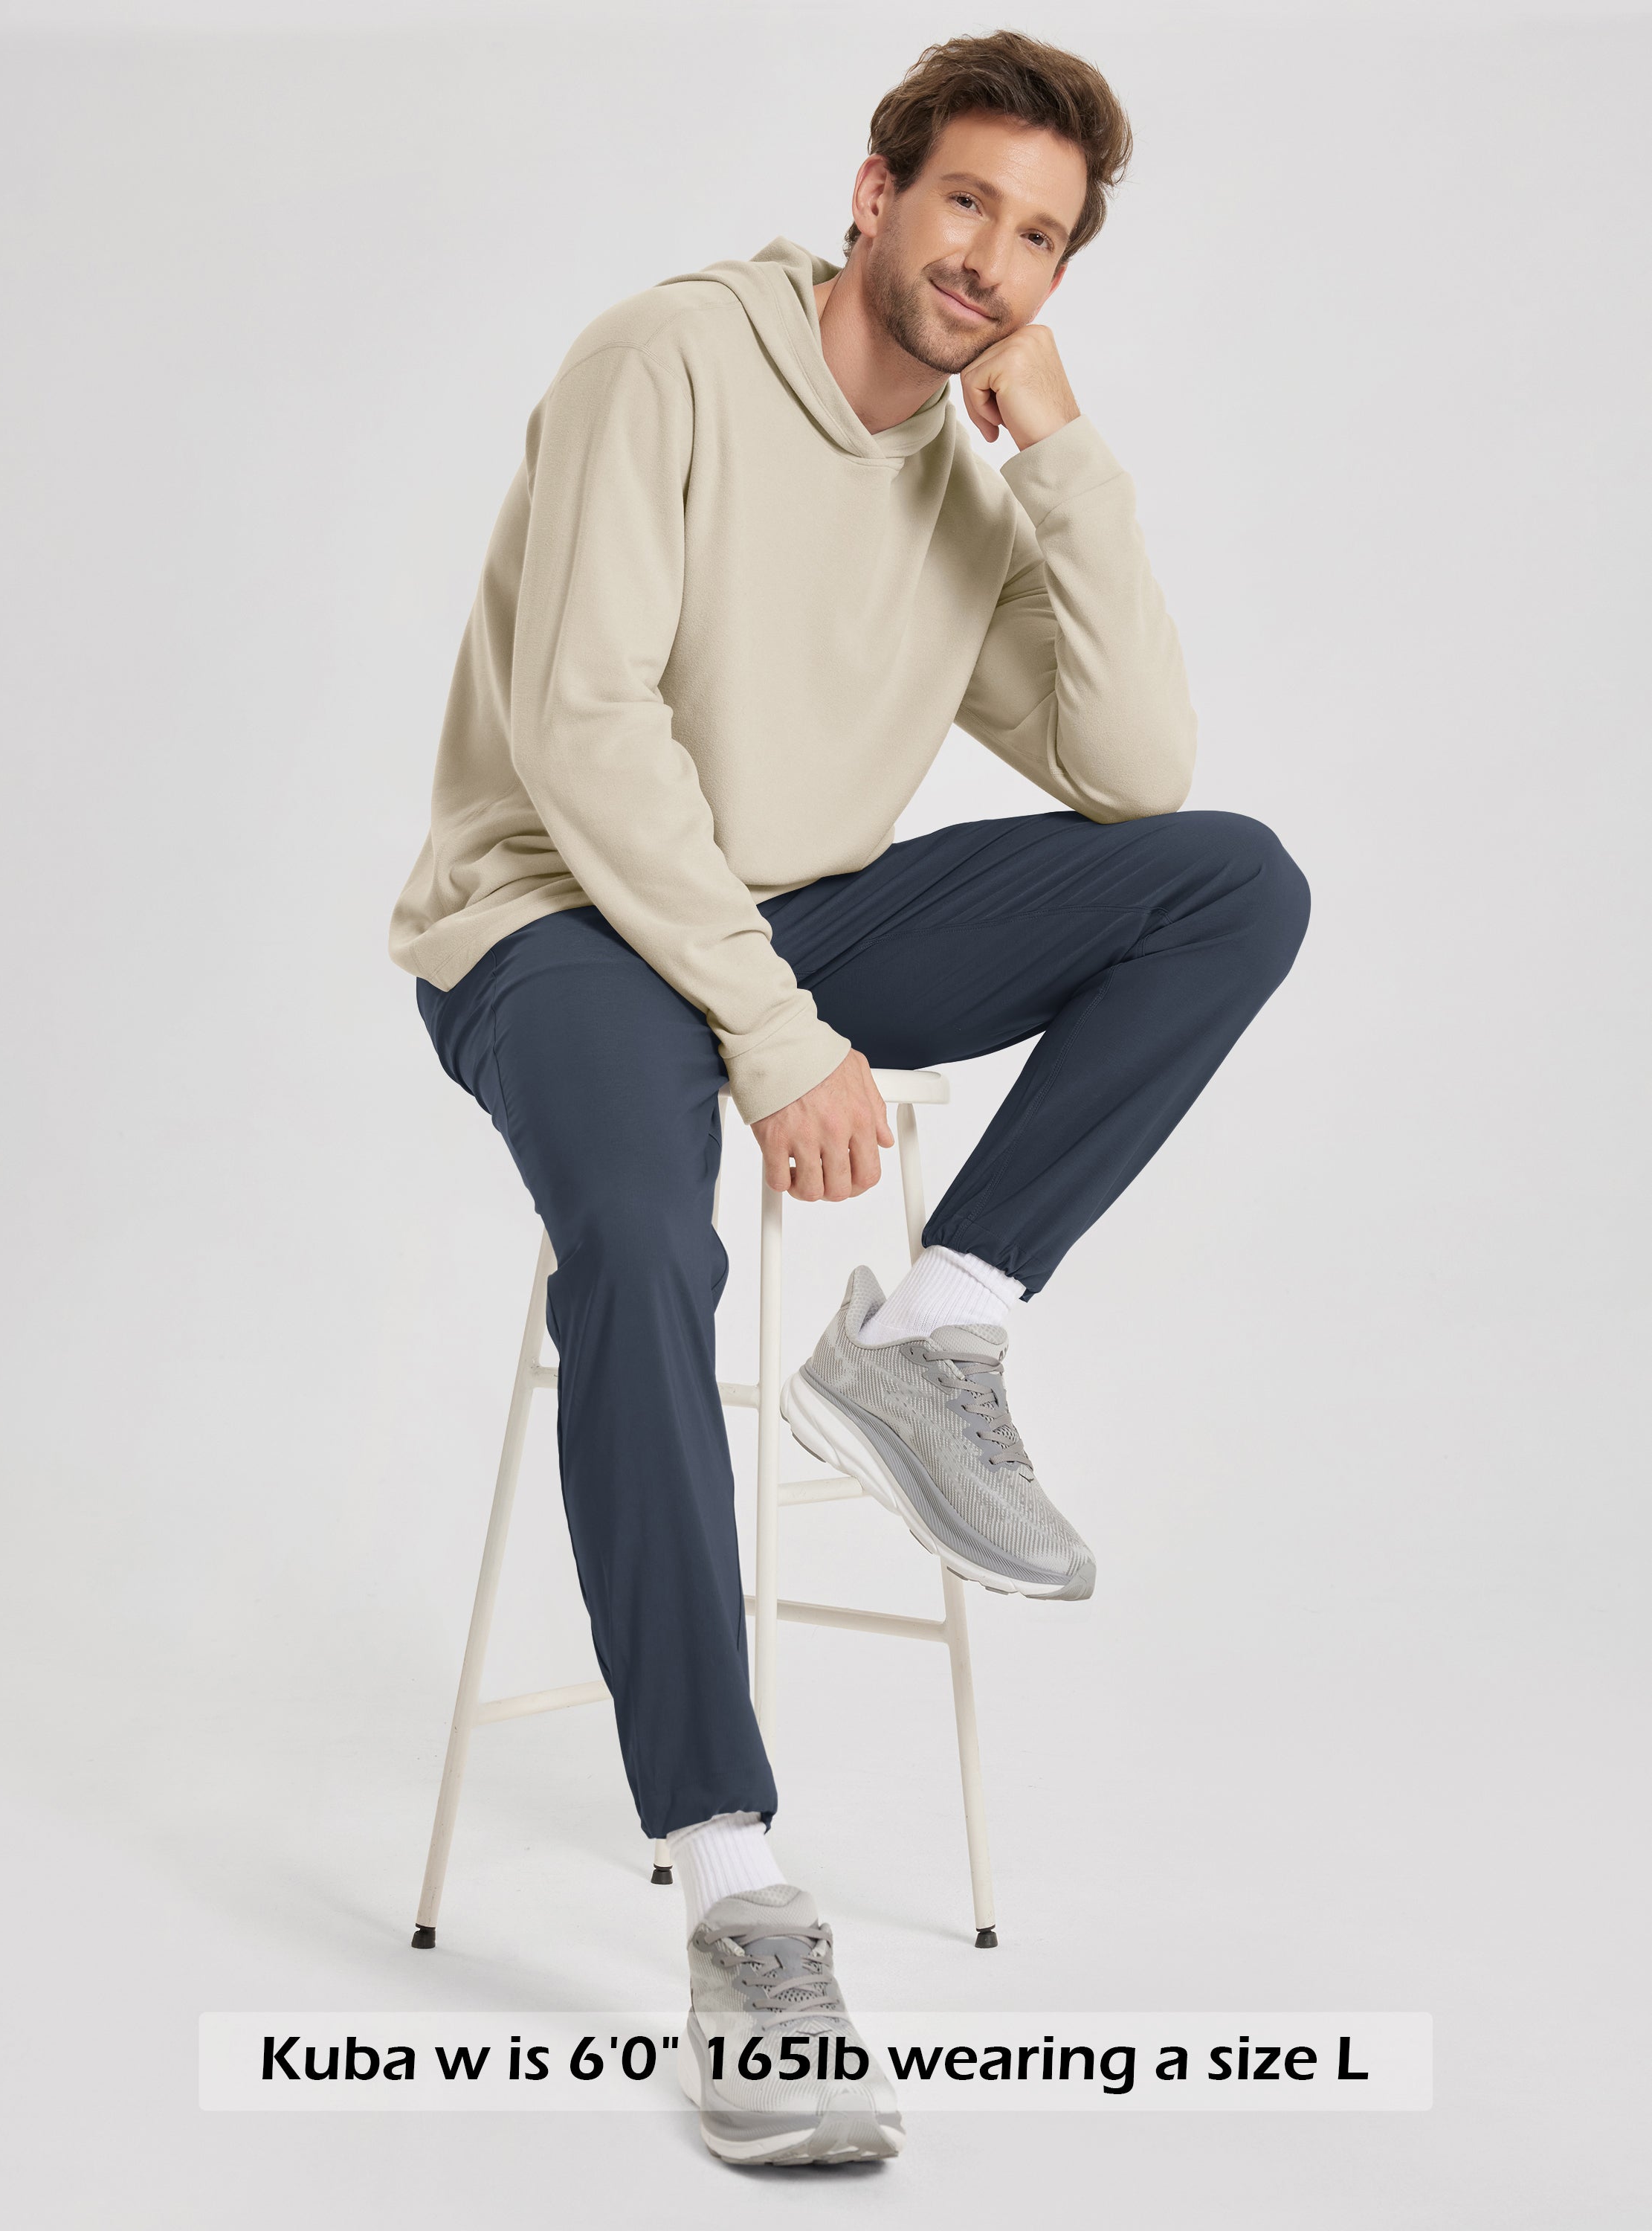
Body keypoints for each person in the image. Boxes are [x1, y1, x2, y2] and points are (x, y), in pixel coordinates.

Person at [389, 28, 1309, 2166]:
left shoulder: (962, 487)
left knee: (1231, 883)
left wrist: (1060, 455)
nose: (991, 260)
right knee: (643, 1248)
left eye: (1041, 240)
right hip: (553, 911)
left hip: (795, 912)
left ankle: (934, 1333)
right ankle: (736, 1888)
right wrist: (778, 1037)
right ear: (878, 191)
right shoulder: (665, 360)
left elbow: (1134, 772)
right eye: (968, 200)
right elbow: (583, 726)